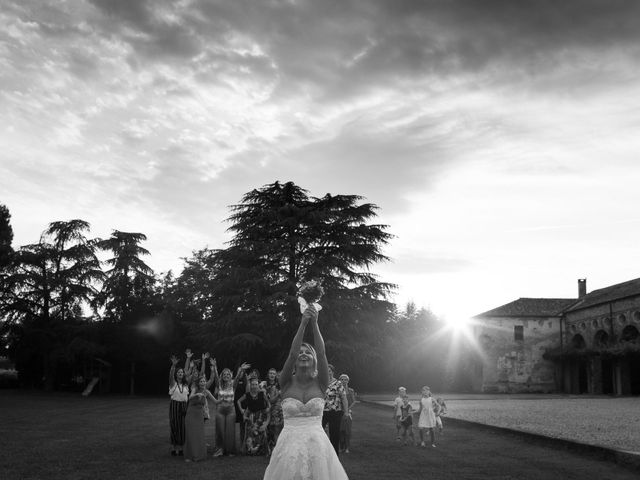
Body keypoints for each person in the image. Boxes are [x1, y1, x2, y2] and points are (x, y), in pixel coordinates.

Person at [263, 305, 349, 479]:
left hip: (317, 445)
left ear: (314, 360)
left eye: (307, 353)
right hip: (289, 446)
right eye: (301, 353)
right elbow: (292, 352)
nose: (303, 354)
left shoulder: (321, 383)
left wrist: (315, 324)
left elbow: (322, 352)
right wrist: (303, 324)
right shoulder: (285, 382)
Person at [184, 375, 217, 462]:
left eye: (204, 381)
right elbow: (190, 397)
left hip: (199, 415)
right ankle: (190, 456)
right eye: (201, 381)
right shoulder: (195, 389)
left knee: (198, 434)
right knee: (191, 434)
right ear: (198, 383)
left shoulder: (207, 392)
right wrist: (196, 394)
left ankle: (198, 455)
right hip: (191, 413)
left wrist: (225, 399)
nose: (203, 383)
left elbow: (216, 402)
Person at [238, 377, 271, 455]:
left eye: (256, 384)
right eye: (252, 384)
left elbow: (268, 403)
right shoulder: (247, 395)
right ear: (250, 385)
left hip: (261, 416)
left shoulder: (262, 394)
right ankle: (251, 450)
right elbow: (238, 401)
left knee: (262, 432)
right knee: (250, 433)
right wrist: (242, 411)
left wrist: (268, 409)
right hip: (251, 416)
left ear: (258, 385)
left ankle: (262, 450)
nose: (254, 386)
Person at [322, 364, 348, 455]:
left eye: (330, 370)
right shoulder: (322, 383)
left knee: (334, 434)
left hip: (336, 412)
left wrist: (346, 412)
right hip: (323, 412)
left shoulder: (338, 383)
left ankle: (334, 455)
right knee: (319, 432)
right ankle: (321, 453)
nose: (328, 372)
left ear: (333, 372)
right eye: (326, 370)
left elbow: (344, 398)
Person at [169, 355, 189, 456]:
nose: (181, 373)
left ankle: (181, 448)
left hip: (184, 406)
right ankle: (173, 448)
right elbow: (171, 375)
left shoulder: (185, 385)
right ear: (176, 374)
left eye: (182, 372)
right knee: (174, 426)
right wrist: (173, 366)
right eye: (179, 372)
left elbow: (188, 370)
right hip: (175, 406)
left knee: (182, 427)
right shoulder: (173, 383)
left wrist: (188, 360)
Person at [265, 368, 283, 452]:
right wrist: (278, 395)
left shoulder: (282, 386)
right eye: (270, 373)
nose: (272, 375)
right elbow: (270, 400)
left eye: (274, 374)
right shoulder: (269, 387)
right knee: (274, 430)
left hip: (282, 411)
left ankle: (280, 449)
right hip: (273, 410)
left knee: (281, 430)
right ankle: (275, 450)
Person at [338, 374, 355, 453]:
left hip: (348, 413)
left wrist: (347, 409)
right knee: (340, 430)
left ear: (348, 381)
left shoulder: (351, 391)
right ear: (340, 380)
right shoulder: (338, 389)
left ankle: (347, 447)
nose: (344, 381)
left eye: (345, 379)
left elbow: (353, 401)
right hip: (339, 412)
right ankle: (341, 447)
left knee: (347, 431)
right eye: (342, 379)